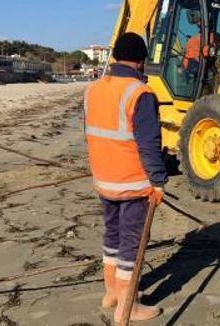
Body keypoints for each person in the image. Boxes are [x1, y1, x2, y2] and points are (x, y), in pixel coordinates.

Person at [83, 32, 167, 322]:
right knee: (131, 242)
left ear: (116, 57)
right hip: (132, 183)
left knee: (113, 235)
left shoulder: (93, 89)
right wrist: (158, 182)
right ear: (141, 61)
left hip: (104, 179)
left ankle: (112, 293)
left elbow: (90, 133)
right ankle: (127, 307)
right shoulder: (139, 94)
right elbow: (148, 144)